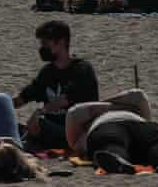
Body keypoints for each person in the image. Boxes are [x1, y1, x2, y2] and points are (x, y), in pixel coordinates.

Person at [65, 89, 158, 174]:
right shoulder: (81, 138)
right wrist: (119, 106)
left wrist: (99, 109)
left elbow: (138, 95)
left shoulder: (82, 134)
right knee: (155, 140)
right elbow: (137, 97)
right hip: (132, 123)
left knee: (155, 139)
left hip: (128, 125)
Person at [12, 21, 99, 149]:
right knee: (0, 118)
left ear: (61, 42)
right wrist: (1, 104)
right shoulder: (47, 72)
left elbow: (65, 99)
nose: (42, 48)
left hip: (76, 132)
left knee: (39, 124)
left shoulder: (82, 69)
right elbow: (24, 97)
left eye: (45, 43)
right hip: (50, 128)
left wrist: (40, 112)